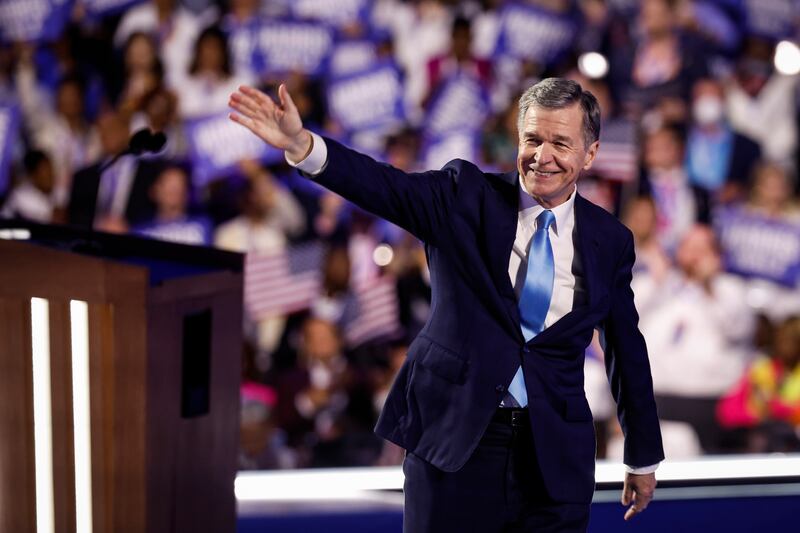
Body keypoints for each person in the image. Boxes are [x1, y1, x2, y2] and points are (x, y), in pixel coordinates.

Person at [229, 77, 664, 532]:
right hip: (456, 442)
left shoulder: (609, 241)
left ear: (590, 154)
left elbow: (626, 349)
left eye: (560, 143)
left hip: (553, 459)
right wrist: (304, 145)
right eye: (532, 139)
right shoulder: (464, 196)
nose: (542, 156)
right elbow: (385, 186)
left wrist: (642, 452)